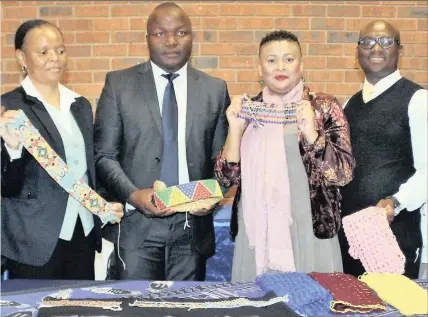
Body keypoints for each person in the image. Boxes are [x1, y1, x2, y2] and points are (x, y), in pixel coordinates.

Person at [94, 2, 230, 281]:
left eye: (181, 32)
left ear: (192, 37)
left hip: (191, 231)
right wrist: (133, 195)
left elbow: (223, 162)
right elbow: (103, 155)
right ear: (147, 39)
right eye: (160, 34)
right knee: (135, 310)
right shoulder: (119, 85)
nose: (171, 41)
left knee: (186, 310)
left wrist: (213, 198)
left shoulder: (214, 89)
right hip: (135, 229)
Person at [215, 30, 355, 282]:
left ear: (301, 65)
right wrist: (234, 129)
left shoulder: (323, 107)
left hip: (311, 231)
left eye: (289, 59)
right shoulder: (247, 110)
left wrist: (312, 134)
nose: (280, 66)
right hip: (257, 233)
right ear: (259, 68)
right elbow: (226, 178)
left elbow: (343, 173)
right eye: (271, 60)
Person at [0, 19, 123, 279]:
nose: (54, 58)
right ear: (21, 57)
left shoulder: (79, 105)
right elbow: (6, 186)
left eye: (60, 50)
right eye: (43, 52)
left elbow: (88, 168)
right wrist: (12, 150)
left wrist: (107, 204)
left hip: (84, 233)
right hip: (33, 241)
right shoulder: (8, 109)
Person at [339, 20, 427, 279]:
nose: (376, 48)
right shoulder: (350, 103)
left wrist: (396, 203)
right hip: (352, 233)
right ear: (357, 53)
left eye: (386, 41)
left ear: (400, 50)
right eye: (367, 42)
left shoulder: (418, 99)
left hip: (395, 230)